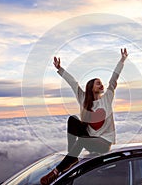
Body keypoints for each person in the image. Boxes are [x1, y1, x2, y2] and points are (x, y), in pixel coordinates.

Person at [40, 48, 128, 185]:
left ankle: (58, 170)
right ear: (91, 87)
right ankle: (72, 156)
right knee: (73, 119)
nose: (101, 84)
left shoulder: (107, 98)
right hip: (89, 138)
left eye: (101, 83)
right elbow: (73, 83)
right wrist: (60, 69)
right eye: (98, 83)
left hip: (103, 143)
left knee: (81, 141)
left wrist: (122, 60)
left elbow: (113, 79)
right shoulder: (83, 99)